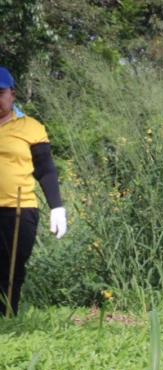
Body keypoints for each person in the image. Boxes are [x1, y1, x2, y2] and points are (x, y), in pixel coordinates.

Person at [0, 67, 67, 317]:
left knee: (11, 270)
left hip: (18, 211)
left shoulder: (32, 127)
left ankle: (7, 320)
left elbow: (46, 170)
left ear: (12, 94)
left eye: (0, 93)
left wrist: (57, 207)